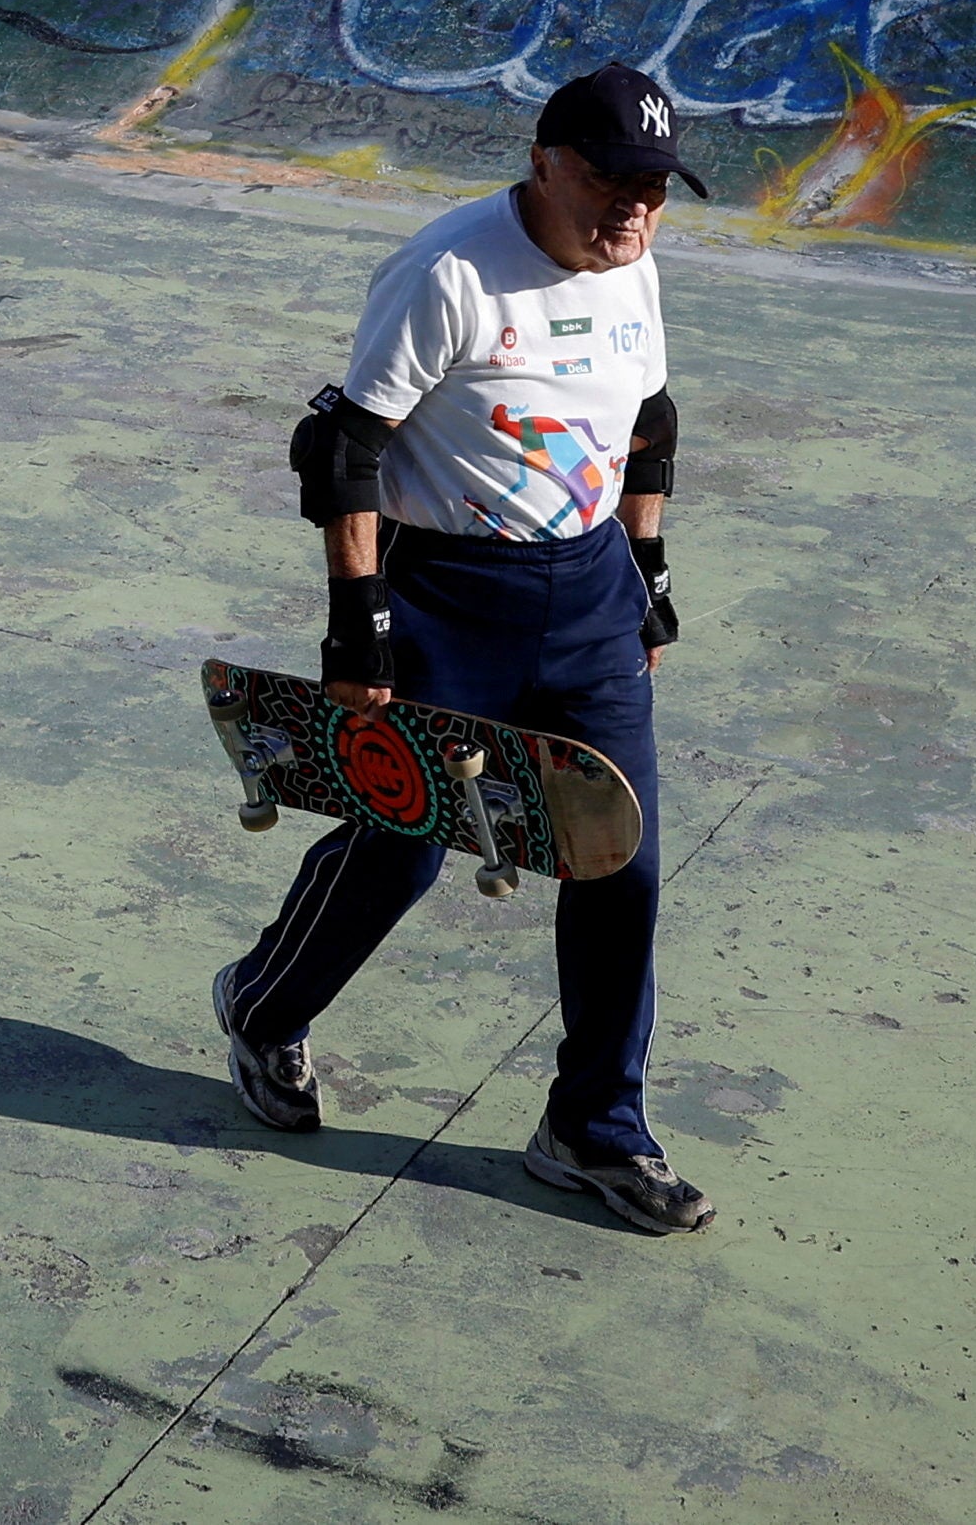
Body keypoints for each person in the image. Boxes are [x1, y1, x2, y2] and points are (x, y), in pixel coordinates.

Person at [216, 61, 709, 1233]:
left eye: (655, 185)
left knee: (616, 855)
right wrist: (359, 626)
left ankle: (591, 1125)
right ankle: (261, 1007)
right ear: (544, 161)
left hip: (586, 589)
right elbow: (342, 452)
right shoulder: (446, 271)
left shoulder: (634, 268)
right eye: (610, 180)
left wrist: (644, 577)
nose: (633, 208)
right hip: (449, 593)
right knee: (404, 848)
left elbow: (647, 427)